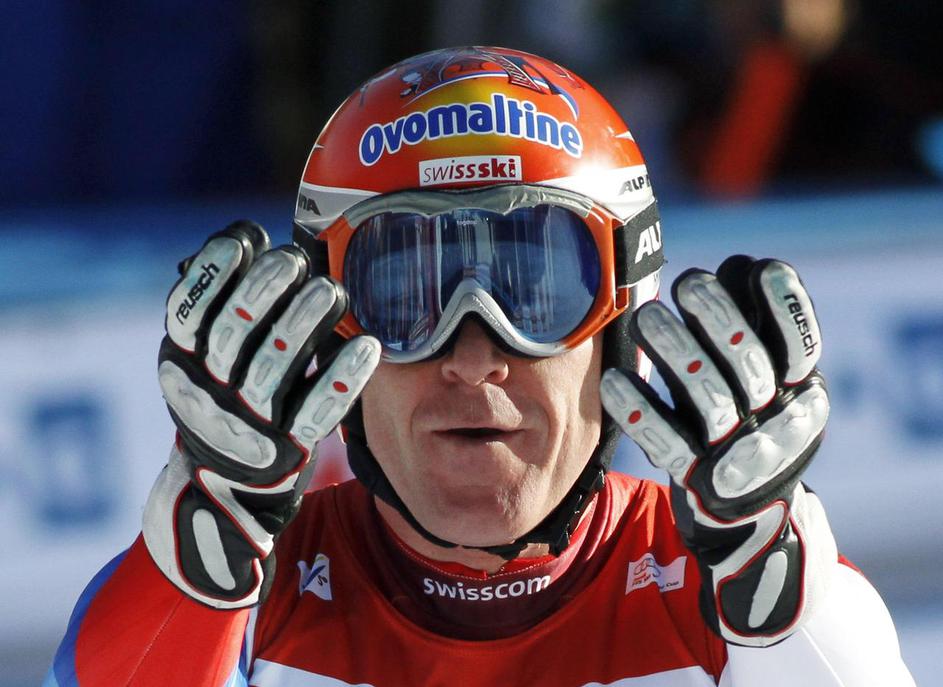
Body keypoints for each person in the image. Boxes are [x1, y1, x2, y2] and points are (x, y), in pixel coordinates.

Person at [45, 46, 914, 687]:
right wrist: (196, 557)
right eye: (404, 294)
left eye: (537, 292)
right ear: (322, 334)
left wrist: (776, 580)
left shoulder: (728, 588)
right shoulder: (240, 595)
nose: (472, 358)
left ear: (622, 325)